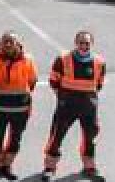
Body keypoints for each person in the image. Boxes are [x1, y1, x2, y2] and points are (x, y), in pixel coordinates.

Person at [42, 30, 106, 182]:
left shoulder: (99, 62)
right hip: (67, 105)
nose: (84, 45)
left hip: (88, 106)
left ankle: (89, 167)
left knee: (90, 138)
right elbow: (53, 81)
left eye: (87, 43)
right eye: (81, 42)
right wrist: (63, 97)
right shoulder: (62, 59)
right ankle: (49, 167)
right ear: (76, 43)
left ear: (92, 44)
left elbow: (99, 84)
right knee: (56, 136)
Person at [0, 32, 38, 181]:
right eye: (5, 41)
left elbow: (33, 81)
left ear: (17, 43)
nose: (7, 44)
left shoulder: (28, 59)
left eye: (11, 41)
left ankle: (7, 166)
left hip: (21, 108)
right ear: (0, 43)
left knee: (15, 139)